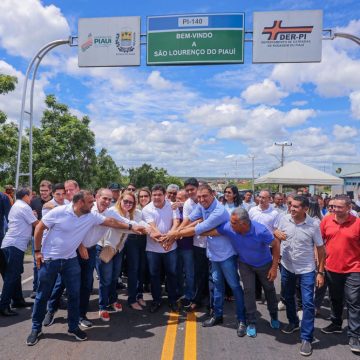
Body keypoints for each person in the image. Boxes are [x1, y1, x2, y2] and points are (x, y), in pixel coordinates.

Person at [26, 190, 145, 346]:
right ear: (80, 202)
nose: (93, 205)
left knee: (76, 294)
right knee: (43, 294)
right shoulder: (59, 212)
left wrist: (132, 226)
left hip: (70, 261)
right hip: (50, 260)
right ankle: (36, 328)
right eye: (90, 202)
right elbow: (39, 228)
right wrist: (36, 252)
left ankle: (73, 326)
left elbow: (112, 222)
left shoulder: (91, 215)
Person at [164, 184, 246, 337]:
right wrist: (176, 232)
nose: (202, 200)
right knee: (217, 287)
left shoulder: (219, 211)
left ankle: (242, 319)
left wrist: (173, 235)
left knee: (234, 287)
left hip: (227, 255)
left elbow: (198, 229)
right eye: (199, 197)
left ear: (213, 194)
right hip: (213, 254)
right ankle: (217, 315)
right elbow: (189, 219)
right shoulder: (202, 206)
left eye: (205, 196)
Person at [204, 207, 281, 337]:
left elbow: (276, 245)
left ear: (243, 224)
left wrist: (274, 268)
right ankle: (251, 321)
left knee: (269, 290)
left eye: (233, 222)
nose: (230, 224)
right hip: (245, 265)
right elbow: (211, 231)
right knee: (248, 291)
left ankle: (273, 316)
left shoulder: (261, 230)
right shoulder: (230, 227)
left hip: (264, 265)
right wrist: (195, 231)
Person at [277, 195, 326, 356]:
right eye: (291, 205)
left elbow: (320, 249)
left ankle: (306, 338)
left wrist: (320, 272)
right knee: (288, 297)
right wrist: (276, 233)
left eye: (296, 207)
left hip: (306, 269)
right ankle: (293, 322)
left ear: (305, 209)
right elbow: (275, 232)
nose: (292, 209)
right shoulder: (284, 219)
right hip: (287, 266)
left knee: (308, 304)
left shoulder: (313, 224)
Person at [320, 195, 360, 354]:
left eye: (339, 207)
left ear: (349, 207)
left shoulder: (357, 223)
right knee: (335, 298)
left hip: (354, 269)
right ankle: (336, 324)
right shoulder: (327, 220)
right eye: (332, 206)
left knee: (353, 301)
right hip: (332, 268)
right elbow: (319, 242)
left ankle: (355, 335)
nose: (334, 210)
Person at [96, 190, 138, 318]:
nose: (128, 204)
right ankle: (102, 306)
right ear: (120, 200)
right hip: (106, 248)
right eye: (125, 201)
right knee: (105, 279)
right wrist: (138, 229)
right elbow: (122, 227)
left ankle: (113, 300)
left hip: (118, 250)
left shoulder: (131, 215)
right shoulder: (113, 212)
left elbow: (136, 225)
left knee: (114, 277)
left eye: (131, 202)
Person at [0, 188, 39, 316]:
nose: (32, 197)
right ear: (26, 196)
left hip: (11, 244)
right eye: (31, 195)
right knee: (12, 275)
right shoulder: (24, 207)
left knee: (15, 274)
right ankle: (3, 306)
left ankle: (17, 300)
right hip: (15, 245)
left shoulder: (17, 205)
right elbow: (36, 224)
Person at [142, 184, 180, 313]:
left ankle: (173, 300)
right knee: (154, 276)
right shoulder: (147, 209)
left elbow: (176, 222)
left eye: (159, 194)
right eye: (154, 195)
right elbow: (152, 227)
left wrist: (170, 237)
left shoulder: (172, 205)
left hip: (171, 247)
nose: (156, 197)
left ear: (164, 195)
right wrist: (164, 240)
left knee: (172, 274)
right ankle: (156, 300)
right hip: (153, 249)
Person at [181, 178, 209, 312]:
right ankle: (199, 298)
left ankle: (211, 302)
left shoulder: (206, 200)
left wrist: (176, 232)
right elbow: (188, 221)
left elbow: (204, 221)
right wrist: (177, 232)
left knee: (213, 276)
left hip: (213, 243)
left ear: (198, 187)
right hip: (198, 243)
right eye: (187, 190)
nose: (190, 192)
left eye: (192, 189)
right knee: (200, 273)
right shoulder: (187, 204)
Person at [125, 187, 151, 310]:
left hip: (144, 241)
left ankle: (139, 295)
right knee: (133, 270)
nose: (143, 199)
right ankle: (131, 298)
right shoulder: (132, 210)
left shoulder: (148, 210)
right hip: (132, 241)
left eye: (146, 196)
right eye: (140, 197)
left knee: (141, 269)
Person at [30, 180, 53, 298]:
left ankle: (52, 290)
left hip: (51, 238)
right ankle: (36, 288)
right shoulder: (34, 202)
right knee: (36, 264)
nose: (43, 193)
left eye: (45, 190)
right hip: (37, 237)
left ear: (50, 190)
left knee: (50, 264)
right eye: (41, 190)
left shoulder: (55, 202)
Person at [175, 189, 194, 309]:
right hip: (175, 246)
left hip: (188, 247)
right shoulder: (174, 210)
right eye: (176, 198)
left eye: (180, 198)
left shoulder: (191, 210)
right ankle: (179, 292)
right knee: (177, 272)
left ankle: (189, 295)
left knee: (189, 273)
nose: (177, 200)